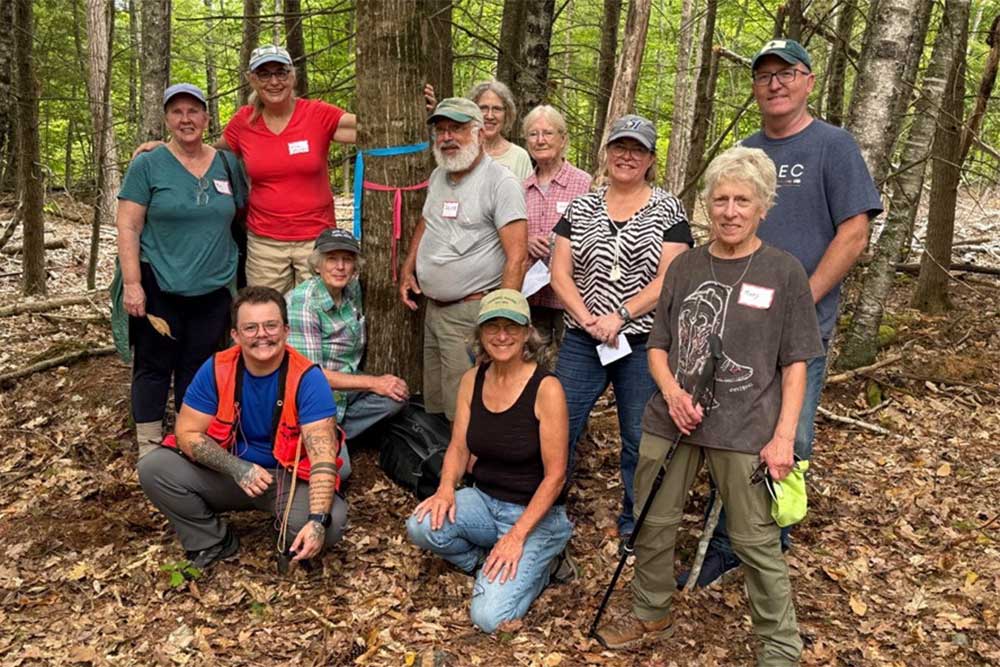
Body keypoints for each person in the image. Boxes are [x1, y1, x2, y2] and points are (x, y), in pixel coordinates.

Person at [595, 146, 824, 664]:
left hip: (747, 426)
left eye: (742, 200)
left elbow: (796, 363)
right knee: (652, 520)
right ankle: (651, 612)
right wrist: (672, 393)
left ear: (763, 206)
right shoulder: (685, 267)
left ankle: (779, 648)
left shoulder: (784, 272)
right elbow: (657, 346)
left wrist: (784, 437)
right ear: (707, 205)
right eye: (720, 200)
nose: (730, 211)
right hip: (671, 419)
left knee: (755, 539)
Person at [686, 38, 884, 588]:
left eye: (787, 73)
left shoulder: (833, 146)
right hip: (736, 328)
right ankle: (730, 541)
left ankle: (768, 541)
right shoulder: (745, 151)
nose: (775, 84)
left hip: (799, 329)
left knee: (787, 435)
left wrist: (801, 300)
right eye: (764, 75)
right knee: (730, 432)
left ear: (808, 81)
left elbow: (854, 233)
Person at [549, 114, 692, 541]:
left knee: (639, 435)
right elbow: (560, 273)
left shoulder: (668, 209)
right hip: (583, 338)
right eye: (620, 147)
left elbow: (671, 277)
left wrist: (621, 315)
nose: (627, 156)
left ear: (650, 159)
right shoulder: (581, 206)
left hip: (643, 341)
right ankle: (547, 508)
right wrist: (587, 318)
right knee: (559, 424)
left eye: (637, 150)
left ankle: (636, 520)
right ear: (607, 152)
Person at [138, 286, 347, 570]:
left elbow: (322, 456)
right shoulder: (216, 368)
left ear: (286, 331)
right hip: (231, 472)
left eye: (271, 325)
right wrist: (236, 468)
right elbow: (186, 433)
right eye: (251, 328)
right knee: (154, 468)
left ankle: (287, 532)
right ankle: (211, 540)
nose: (262, 335)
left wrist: (318, 521)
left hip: (287, 477)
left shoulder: (308, 378)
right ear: (235, 335)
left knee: (330, 524)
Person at [406, 289, 573, 633]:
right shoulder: (473, 379)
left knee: (489, 618)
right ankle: (484, 563)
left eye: (511, 327)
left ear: (527, 333)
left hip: (533, 515)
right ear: (480, 333)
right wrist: (445, 489)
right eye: (492, 327)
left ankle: (545, 566)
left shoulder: (546, 388)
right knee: (421, 524)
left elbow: (556, 476)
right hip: (484, 500)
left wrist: (516, 536)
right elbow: (458, 446)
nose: (501, 336)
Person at [133, 45, 358, 294]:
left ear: (293, 76)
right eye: (264, 74)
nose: (274, 81)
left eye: (281, 72)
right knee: (265, 311)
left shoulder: (317, 114)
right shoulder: (244, 122)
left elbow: (371, 128)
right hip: (265, 243)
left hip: (316, 239)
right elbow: (207, 152)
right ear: (252, 79)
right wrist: (167, 149)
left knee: (316, 310)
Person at [115, 83, 241, 459]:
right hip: (158, 283)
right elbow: (128, 225)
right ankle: (150, 448)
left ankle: (189, 442)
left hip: (214, 286)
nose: (186, 119)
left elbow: (242, 214)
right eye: (177, 112)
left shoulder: (227, 164)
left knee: (198, 366)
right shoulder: (148, 164)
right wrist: (132, 283)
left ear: (206, 118)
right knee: (153, 365)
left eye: (193, 111)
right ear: (167, 119)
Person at [399, 97, 528, 422]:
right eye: (441, 130)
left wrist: (500, 320)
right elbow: (427, 222)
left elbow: (517, 257)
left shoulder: (501, 182)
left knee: (467, 408)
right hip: (433, 310)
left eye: (456, 129)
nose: (446, 137)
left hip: (472, 311)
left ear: (479, 133)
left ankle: (471, 457)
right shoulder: (439, 176)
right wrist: (408, 267)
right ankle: (444, 453)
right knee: (437, 401)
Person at [286, 228, 408, 481]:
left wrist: (381, 384)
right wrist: (374, 382)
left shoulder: (351, 289)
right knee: (340, 472)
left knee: (396, 395)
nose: (340, 267)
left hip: (345, 386)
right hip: (312, 396)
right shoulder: (303, 302)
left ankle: (339, 431)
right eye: (332, 259)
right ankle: (319, 435)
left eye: (348, 259)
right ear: (317, 265)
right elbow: (310, 376)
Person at [522, 105, 593, 350]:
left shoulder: (584, 183)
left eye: (548, 133)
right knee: (531, 361)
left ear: (563, 139)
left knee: (570, 361)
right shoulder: (521, 187)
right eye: (533, 134)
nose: (540, 140)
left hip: (571, 298)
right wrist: (526, 241)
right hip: (532, 297)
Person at [469, 80, 532, 179]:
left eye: (496, 109)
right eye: (483, 108)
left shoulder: (519, 157)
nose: (489, 116)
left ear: (507, 114)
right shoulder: (462, 152)